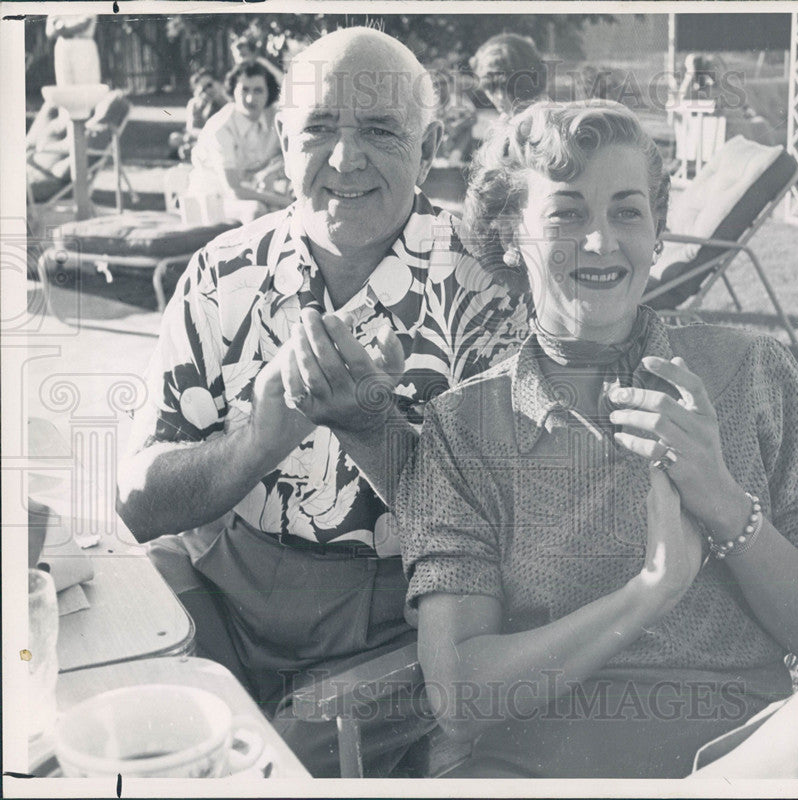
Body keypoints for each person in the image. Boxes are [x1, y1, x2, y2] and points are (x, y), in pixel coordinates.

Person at [396, 100, 798, 779]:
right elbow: (459, 695)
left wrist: (724, 501)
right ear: (508, 234)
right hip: (539, 774)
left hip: (738, 766)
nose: (601, 241)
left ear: (657, 233)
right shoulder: (464, 427)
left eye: (626, 211)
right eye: (566, 213)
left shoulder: (752, 374)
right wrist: (650, 590)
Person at [116, 27, 527, 778]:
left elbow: (519, 544)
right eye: (318, 129)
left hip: (394, 624)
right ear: (281, 138)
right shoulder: (219, 272)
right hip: (226, 586)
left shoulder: (488, 294)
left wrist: (372, 431)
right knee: (121, 701)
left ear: (429, 148)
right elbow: (138, 504)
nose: (345, 160)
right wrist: (255, 442)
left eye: (378, 130)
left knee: (272, 762)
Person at [186, 60, 289, 223]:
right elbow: (234, 190)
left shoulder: (268, 119)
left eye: (258, 91)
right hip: (209, 199)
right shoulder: (222, 127)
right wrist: (283, 202)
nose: (250, 98)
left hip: (243, 194)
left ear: (269, 93)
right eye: (244, 90)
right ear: (233, 91)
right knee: (259, 211)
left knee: (282, 210)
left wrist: (272, 172)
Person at [470, 33, 547, 119]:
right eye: (491, 89)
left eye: (509, 88)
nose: (500, 97)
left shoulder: (544, 126)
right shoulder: (502, 125)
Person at [168, 69, 227, 161]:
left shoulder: (225, 102)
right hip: (201, 136)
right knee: (175, 138)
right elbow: (191, 129)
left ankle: (193, 151)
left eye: (209, 85)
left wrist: (216, 101)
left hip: (219, 138)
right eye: (203, 88)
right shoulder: (195, 103)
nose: (207, 90)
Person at [46, 14, 100, 87]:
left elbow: (85, 24)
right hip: (63, 44)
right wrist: (60, 28)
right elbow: (51, 29)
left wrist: (64, 30)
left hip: (83, 44)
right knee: (64, 86)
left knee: (86, 87)